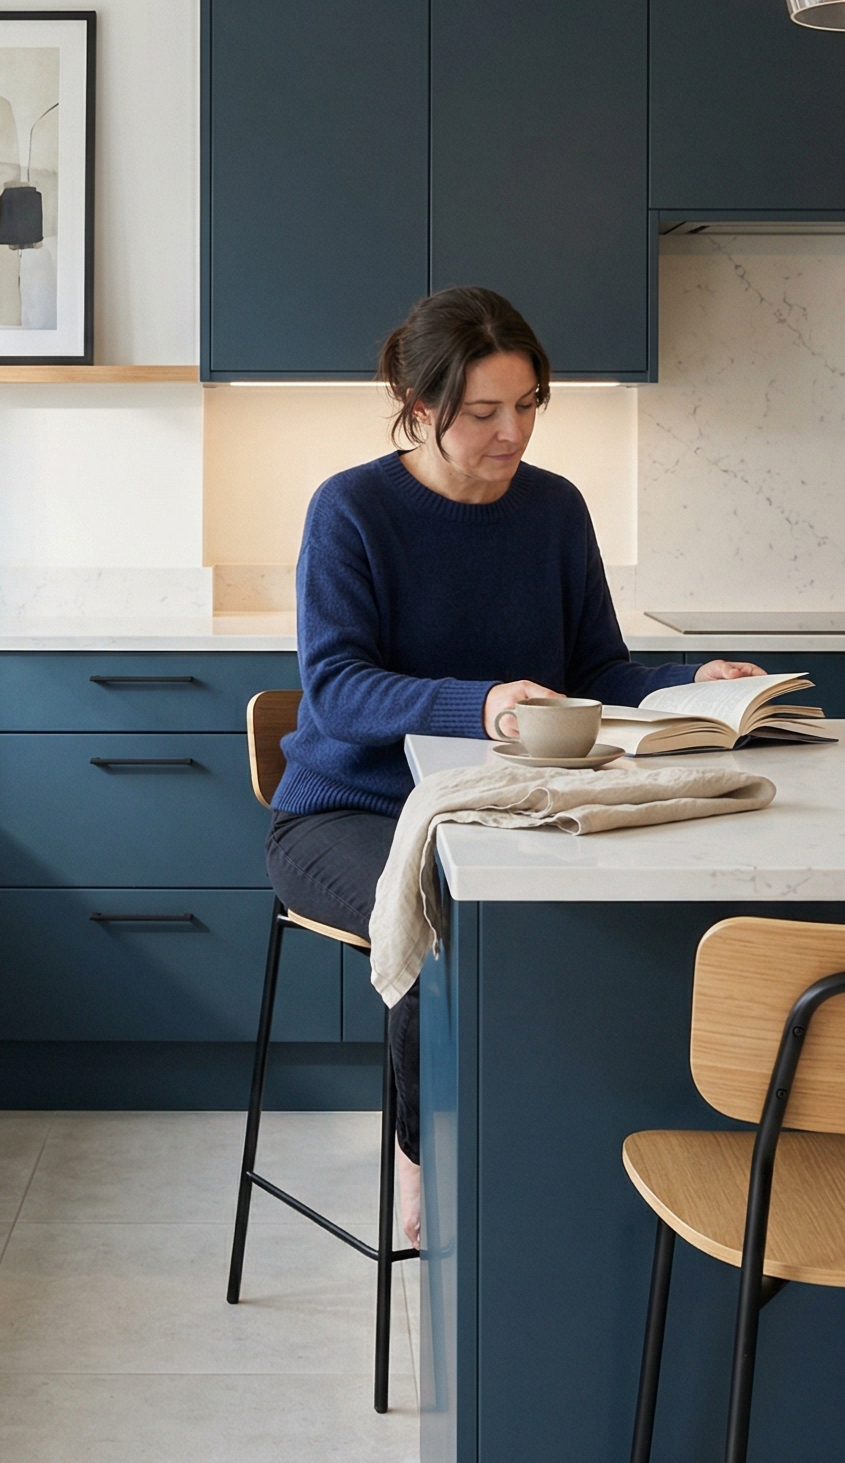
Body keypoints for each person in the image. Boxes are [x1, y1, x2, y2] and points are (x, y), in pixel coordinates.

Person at [264, 287, 764, 1248]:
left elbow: (595, 673)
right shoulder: (353, 509)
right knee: (441, 912)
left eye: (528, 405)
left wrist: (688, 683)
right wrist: (483, 700)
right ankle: (424, 1160)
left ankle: (557, 1147)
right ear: (417, 401)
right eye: (484, 412)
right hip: (349, 810)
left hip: (503, 805)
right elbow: (336, 689)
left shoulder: (554, 509)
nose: (512, 433)